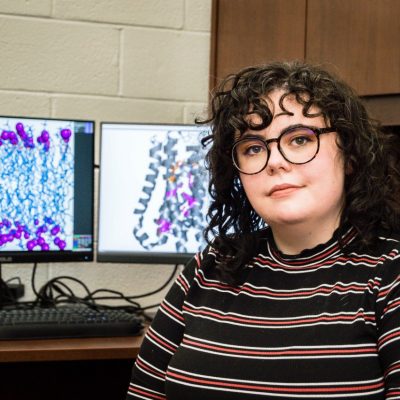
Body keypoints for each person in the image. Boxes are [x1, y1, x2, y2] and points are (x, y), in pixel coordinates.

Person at [126, 61, 400, 399]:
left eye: (300, 139)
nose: (274, 161)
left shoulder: (390, 274)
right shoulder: (207, 268)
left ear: (350, 154)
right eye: (253, 148)